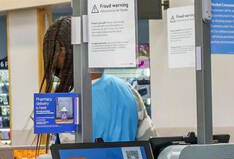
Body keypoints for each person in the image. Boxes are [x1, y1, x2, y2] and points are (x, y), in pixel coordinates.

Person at [39, 17, 154, 145]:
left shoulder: (68, 102)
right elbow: (149, 141)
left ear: (62, 51)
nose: (56, 70)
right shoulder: (129, 91)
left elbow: (68, 156)